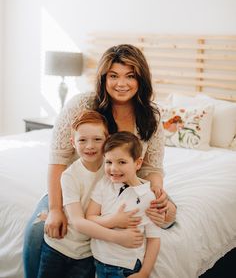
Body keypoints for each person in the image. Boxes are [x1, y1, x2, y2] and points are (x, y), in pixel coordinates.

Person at [23, 44, 176, 278]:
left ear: (141, 79)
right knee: (38, 231)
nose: (121, 83)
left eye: (130, 76)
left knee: (168, 217)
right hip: (78, 187)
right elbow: (58, 160)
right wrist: (55, 209)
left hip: (124, 188)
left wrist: (157, 191)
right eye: (113, 76)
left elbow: (152, 167)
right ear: (103, 78)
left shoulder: (150, 115)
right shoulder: (81, 105)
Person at [37, 110, 144, 278]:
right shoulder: (69, 176)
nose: (90, 146)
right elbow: (78, 222)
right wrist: (117, 236)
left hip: (87, 254)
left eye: (97, 139)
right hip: (59, 246)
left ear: (107, 139)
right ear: (73, 142)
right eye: (82, 140)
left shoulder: (112, 169)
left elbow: (136, 182)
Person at [86, 131, 161, 278]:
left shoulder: (148, 197)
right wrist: (113, 221)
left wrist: (144, 272)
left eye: (122, 162)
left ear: (138, 163)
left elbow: (154, 239)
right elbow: (90, 217)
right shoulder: (104, 184)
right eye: (109, 162)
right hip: (99, 261)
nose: (113, 168)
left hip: (125, 266)